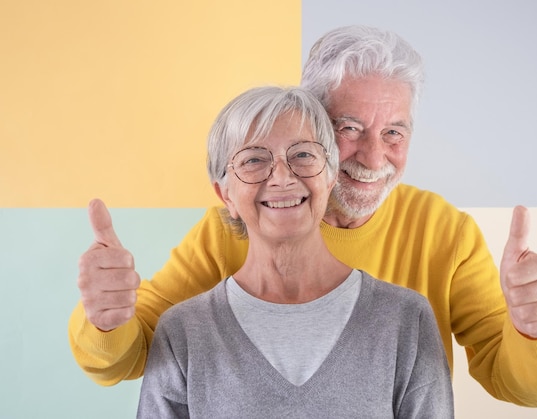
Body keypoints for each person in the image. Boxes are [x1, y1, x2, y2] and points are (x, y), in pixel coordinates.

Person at [69, 25, 537, 407]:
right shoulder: (231, 225)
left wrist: (533, 331)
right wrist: (106, 318)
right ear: (310, 126)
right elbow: (135, 352)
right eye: (349, 127)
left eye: (394, 133)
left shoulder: (444, 232)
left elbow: (526, 388)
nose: (374, 159)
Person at [135, 85, 454, 418]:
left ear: (330, 176)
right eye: (254, 160)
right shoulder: (183, 333)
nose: (283, 178)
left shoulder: (405, 320)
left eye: (303, 154)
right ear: (225, 194)